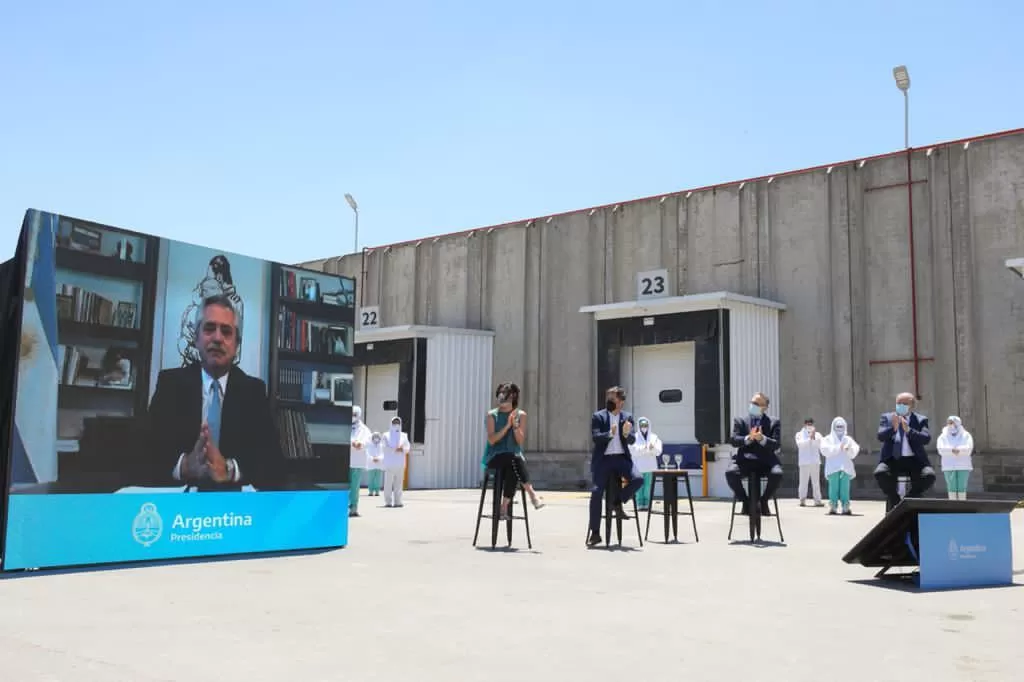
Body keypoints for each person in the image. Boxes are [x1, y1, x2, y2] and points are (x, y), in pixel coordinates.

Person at [147, 294, 283, 489]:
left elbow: (272, 464)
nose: (218, 338)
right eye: (209, 329)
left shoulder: (254, 391)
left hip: (232, 508)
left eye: (226, 331)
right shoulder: (170, 384)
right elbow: (145, 454)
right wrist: (185, 466)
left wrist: (228, 469)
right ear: (196, 338)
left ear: (237, 344)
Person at [587, 386, 644, 547]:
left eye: (612, 398)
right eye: (608, 398)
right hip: (603, 460)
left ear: (621, 402)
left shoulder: (627, 417)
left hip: (621, 458)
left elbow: (632, 440)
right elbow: (596, 437)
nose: (609, 401)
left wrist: (627, 434)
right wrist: (610, 434)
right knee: (596, 493)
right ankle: (595, 533)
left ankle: (617, 501)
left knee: (638, 479)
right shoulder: (598, 416)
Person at [481, 382, 545, 520]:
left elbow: (520, 441)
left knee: (514, 462)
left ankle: (503, 507)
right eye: (500, 394)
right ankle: (532, 494)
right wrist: (507, 426)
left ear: (513, 397)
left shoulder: (520, 415)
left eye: (506, 394)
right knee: (514, 458)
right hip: (495, 456)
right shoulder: (492, 415)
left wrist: (515, 426)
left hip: (514, 458)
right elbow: (492, 440)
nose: (502, 397)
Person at [874, 392, 936, 512]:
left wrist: (909, 430)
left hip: (914, 459)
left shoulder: (920, 420)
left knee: (929, 476)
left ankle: (909, 499)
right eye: (898, 403)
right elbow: (880, 436)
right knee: (880, 473)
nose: (901, 406)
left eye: (904, 404)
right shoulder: (887, 418)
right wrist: (894, 428)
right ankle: (895, 499)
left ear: (912, 406)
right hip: (893, 459)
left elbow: (926, 438)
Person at [726, 392, 783, 516]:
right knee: (730, 473)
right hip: (745, 460)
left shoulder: (774, 422)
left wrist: (762, 438)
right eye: (752, 403)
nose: (753, 405)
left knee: (777, 474)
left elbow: (776, 444)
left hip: (766, 461)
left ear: (765, 407)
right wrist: (748, 438)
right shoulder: (740, 420)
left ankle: (763, 500)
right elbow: (734, 440)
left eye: (756, 404)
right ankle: (745, 501)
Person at [820, 416, 860, 515]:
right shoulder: (827, 439)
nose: (839, 428)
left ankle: (845, 506)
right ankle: (833, 506)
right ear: (833, 427)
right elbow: (825, 450)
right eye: (837, 426)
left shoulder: (848, 439)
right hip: (833, 468)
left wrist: (849, 449)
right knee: (833, 488)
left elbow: (855, 450)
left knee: (845, 489)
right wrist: (838, 447)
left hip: (845, 468)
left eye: (841, 426)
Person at [937, 415, 974, 500]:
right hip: (949, 466)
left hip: (963, 465)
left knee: (962, 488)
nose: (950, 425)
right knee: (951, 488)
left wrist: (959, 450)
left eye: (952, 423)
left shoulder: (966, 435)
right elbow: (941, 449)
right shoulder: (943, 436)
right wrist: (952, 450)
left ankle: (962, 507)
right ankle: (953, 507)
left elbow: (968, 449)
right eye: (949, 423)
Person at [629, 417, 662, 511]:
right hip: (638, 467)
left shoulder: (654, 437)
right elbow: (633, 450)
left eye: (645, 425)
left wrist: (652, 449)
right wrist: (645, 448)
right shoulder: (634, 437)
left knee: (648, 486)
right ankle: (639, 503)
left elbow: (658, 451)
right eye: (642, 425)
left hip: (650, 466)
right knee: (639, 486)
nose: (644, 427)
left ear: (649, 425)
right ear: (639, 426)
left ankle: (647, 503)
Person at [794, 417, 824, 507]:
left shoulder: (818, 434)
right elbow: (800, 445)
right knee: (803, 482)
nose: (809, 426)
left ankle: (817, 500)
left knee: (816, 482)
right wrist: (809, 439)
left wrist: (813, 437)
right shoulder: (799, 434)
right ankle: (802, 499)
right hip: (804, 462)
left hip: (815, 461)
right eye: (808, 424)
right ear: (805, 424)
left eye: (811, 424)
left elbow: (820, 445)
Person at [382, 416, 411, 508]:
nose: (396, 424)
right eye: (394, 422)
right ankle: (388, 502)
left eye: (398, 422)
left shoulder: (404, 435)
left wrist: (402, 449)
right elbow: (384, 447)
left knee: (399, 483)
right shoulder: (386, 435)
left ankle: (398, 501)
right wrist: (394, 449)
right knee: (388, 484)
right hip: (389, 463)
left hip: (400, 463)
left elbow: (408, 447)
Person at [348, 406, 372, 516]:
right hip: (346, 459)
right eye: (351, 414)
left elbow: (368, 440)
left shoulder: (364, 429)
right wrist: (352, 443)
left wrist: (360, 444)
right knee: (345, 485)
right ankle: (344, 506)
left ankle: (354, 507)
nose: (353, 417)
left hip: (357, 461)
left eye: (355, 414)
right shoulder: (345, 425)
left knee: (355, 485)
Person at [365, 431, 385, 496]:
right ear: (372, 437)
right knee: (371, 479)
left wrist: (378, 458)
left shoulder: (381, 445)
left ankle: (377, 491)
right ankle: (370, 491)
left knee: (378, 479)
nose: (376, 438)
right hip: (371, 464)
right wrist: (372, 458)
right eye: (375, 437)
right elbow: (367, 453)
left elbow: (383, 454)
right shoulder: (369, 445)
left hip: (379, 464)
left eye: (377, 437)